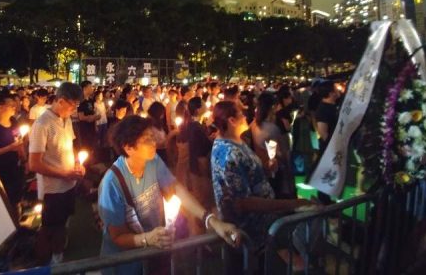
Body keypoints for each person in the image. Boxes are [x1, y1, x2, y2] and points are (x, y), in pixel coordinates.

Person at [97, 115, 240, 275]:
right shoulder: (112, 184)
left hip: (155, 253)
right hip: (126, 264)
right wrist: (147, 239)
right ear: (128, 147)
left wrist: (211, 220)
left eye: (152, 137)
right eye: (146, 139)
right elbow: (118, 236)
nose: (154, 143)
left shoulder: (151, 160)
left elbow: (175, 188)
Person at [211, 101, 319, 274]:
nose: (246, 116)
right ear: (231, 120)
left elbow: (249, 175)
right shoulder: (228, 154)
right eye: (241, 114)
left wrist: (266, 169)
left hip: (260, 231)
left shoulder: (239, 141)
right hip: (246, 234)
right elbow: (243, 202)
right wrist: (292, 204)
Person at [28, 82, 86, 264]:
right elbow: (34, 164)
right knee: (48, 229)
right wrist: (64, 174)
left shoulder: (66, 119)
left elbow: (72, 146)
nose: (74, 110)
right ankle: (43, 263)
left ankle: (58, 257)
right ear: (61, 100)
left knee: (62, 224)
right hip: (53, 189)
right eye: (73, 105)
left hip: (68, 184)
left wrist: (78, 163)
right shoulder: (42, 124)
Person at [178, 96, 215, 235]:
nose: (206, 105)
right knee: (203, 206)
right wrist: (207, 174)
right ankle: (199, 241)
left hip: (195, 172)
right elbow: (201, 157)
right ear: (199, 109)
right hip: (200, 173)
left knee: (202, 204)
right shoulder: (196, 129)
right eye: (204, 104)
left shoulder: (195, 126)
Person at [0, 94, 26, 215]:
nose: (14, 107)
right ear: (0, 108)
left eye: (14, 105)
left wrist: (24, 159)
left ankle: (17, 221)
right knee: (3, 202)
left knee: (16, 199)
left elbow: (19, 140)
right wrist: (9, 148)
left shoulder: (14, 122)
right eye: (10, 105)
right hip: (1, 171)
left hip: (15, 168)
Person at [313, 81, 340, 204]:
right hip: (329, 146)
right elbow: (323, 132)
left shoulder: (334, 105)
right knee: (326, 171)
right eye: (335, 89)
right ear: (331, 93)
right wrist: (331, 146)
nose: (338, 90)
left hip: (335, 144)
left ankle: (326, 198)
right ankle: (323, 200)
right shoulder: (323, 109)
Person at [78, 81, 102, 156]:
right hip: (84, 129)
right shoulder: (81, 101)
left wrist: (95, 124)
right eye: (90, 87)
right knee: (85, 147)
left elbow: (92, 113)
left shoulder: (91, 101)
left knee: (92, 146)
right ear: (85, 89)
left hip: (91, 128)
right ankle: (85, 165)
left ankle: (90, 163)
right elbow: (81, 117)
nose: (92, 88)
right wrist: (92, 117)